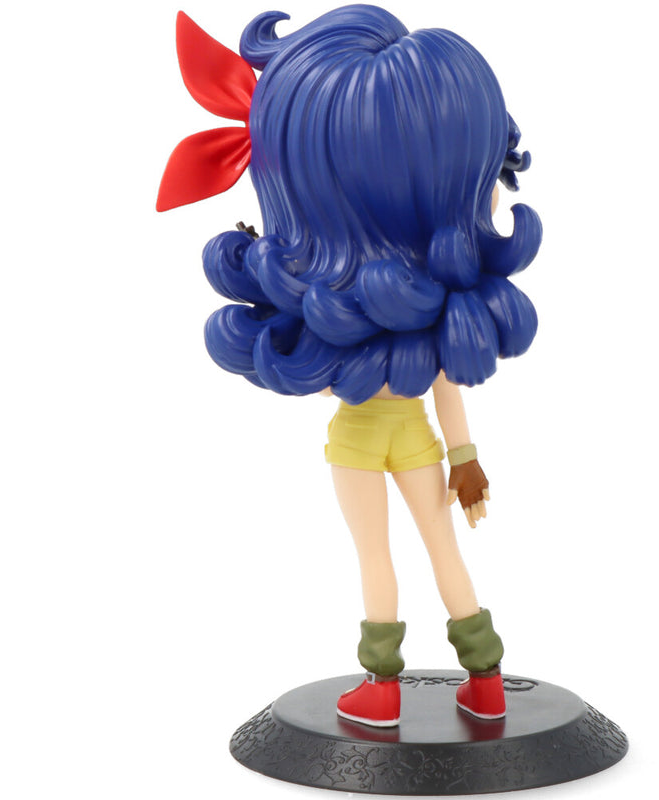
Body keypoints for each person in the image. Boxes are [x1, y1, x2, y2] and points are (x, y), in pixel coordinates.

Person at [157, 4, 542, 727]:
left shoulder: (339, 307)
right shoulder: (439, 306)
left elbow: (339, 370)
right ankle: (485, 678)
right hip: (421, 442)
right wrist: (465, 458)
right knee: (444, 550)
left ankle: (382, 687)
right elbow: (447, 386)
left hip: (358, 447)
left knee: (377, 558)